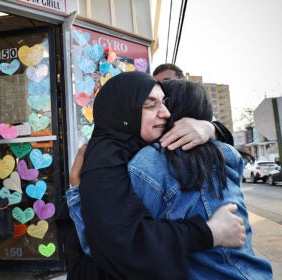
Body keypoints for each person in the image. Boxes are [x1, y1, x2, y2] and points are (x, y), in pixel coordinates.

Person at [64, 72, 246, 280]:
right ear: (125, 110)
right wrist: (209, 232)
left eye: (164, 103)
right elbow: (123, 243)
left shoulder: (136, 145)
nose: (166, 113)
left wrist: (209, 128)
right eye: (151, 105)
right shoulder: (106, 162)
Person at [127, 80, 272, 279]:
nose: (158, 111)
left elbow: (116, 239)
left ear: (168, 110)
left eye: (160, 103)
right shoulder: (225, 153)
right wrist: (210, 128)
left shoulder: (150, 162)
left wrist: (78, 188)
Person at [153, 62, 235, 148]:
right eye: (157, 83)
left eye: (167, 80)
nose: (161, 86)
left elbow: (226, 139)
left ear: (183, 80)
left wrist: (210, 129)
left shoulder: (201, 108)